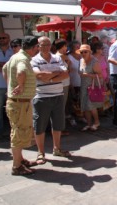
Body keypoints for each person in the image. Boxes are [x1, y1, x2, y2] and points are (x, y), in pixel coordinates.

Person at [2, 36, 39, 176]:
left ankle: (20, 160)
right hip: (20, 104)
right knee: (19, 133)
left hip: (17, 102)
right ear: (33, 47)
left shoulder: (16, 56)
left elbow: (4, 69)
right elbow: (21, 72)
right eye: (37, 47)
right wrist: (20, 85)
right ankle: (17, 166)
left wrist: (11, 85)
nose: (38, 50)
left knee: (20, 131)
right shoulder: (23, 59)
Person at [31, 36, 71, 165]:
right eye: (43, 45)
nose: (46, 47)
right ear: (38, 46)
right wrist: (56, 73)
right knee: (40, 126)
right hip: (42, 96)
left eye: (48, 44)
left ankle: (57, 148)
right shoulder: (34, 60)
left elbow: (65, 74)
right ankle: (40, 153)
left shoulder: (57, 58)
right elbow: (39, 76)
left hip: (58, 95)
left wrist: (50, 78)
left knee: (58, 124)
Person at [78, 44, 103, 131]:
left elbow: (100, 75)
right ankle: (89, 124)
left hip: (92, 86)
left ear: (89, 52)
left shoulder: (94, 62)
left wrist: (87, 75)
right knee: (85, 105)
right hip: (84, 86)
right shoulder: (81, 60)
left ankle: (96, 122)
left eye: (85, 51)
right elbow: (80, 72)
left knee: (91, 106)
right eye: (81, 52)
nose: (83, 53)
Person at [54, 39, 71, 133]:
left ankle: (59, 127)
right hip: (63, 83)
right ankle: (60, 128)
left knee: (61, 106)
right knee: (61, 106)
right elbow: (69, 65)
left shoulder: (57, 56)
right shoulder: (61, 56)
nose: (66, 48)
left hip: (63, 83)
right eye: (65, 46)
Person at [67, 40, 82, 126]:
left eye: (79, 47)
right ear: (72, 48)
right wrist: (70, 83)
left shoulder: (82, 56)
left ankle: (80, 116)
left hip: (82, 82)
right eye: (76, 47)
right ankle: (72, 117)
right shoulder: (69, 57)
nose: (78, 48)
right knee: (72, 102)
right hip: (73, 82)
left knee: (80, 101)